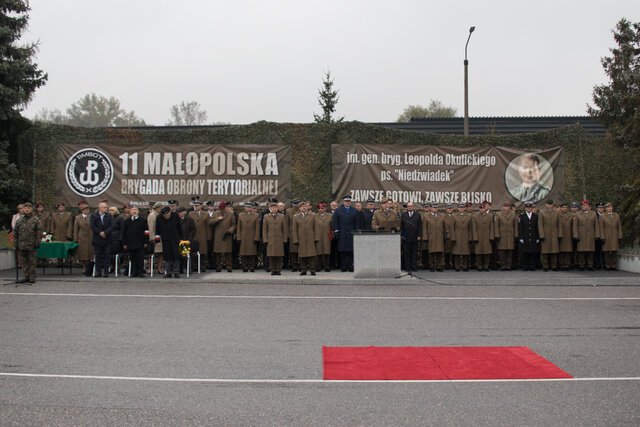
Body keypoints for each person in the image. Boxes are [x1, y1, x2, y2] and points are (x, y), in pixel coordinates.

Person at [13, 202, 43, 284]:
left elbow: (39, 232)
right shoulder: (19, 220)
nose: (26, 210)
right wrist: (15, 244)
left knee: (32, 261)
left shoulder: (35, 220)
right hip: (22, 244)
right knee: (24, 261)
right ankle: (25, 276)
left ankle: (32, 276)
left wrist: (37, 242)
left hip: (31, 244)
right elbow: (15, 233)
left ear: (31, 209)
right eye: (25, 208)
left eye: (28, 208)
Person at [333, 195, 359, 272]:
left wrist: (356, 231)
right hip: (342, 233)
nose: (347, 203)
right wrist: (336, 231)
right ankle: (343, 266)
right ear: (343, 202)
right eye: (346, 201)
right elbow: (335, 222)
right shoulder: (338, 210)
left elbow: (357, 223)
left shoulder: (354, 210)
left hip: (351, 233)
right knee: (342, 250)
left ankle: (351, 266)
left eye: (349, 201)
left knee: (351, 251)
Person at [121, 205, 148, 277]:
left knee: (140, 258)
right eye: (133, 209)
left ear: (138, 211)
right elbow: (123, 233)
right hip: (130, 243)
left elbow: (146, 232)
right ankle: (134, 272)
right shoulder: (127, 221)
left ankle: (140, 272)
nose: (134, 211)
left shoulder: (143, 220)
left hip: (140, 243)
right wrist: (124, 243)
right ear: (130, 211)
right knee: (133, 258)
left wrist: (146, 242)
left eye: (136, 209)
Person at [156, 205, 182, 278]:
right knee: (166, 256)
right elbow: (157, 229)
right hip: (165, 239)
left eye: (167, 215)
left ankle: (176, 271)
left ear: (170, 212)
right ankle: (168, 272)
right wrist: (157, 239)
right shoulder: (159, 218)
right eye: (164, 215)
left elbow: (179, 227)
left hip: (175, 239)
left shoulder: (175, 216)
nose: (166, 216)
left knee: (176, 255)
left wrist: (181, 237)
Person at [292, 201, 318, 275]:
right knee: (302, 255)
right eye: (302, 207)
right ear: (299, 208)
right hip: (301, 238)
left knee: (312, 255)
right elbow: (294, 229)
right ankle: (303, 270)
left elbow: (316, 227)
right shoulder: (296, 216)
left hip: (311, 238)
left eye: (305, 206)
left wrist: (316, 238)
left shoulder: (313, 215)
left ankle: (312, 270)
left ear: (308, 207)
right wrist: (295, 239)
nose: (304, 208)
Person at [573, 200, 599, 271]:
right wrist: (575, 235)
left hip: (590, 235)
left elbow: (596, 225)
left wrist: (597, 235)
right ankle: (581, 265)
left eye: (585, 205)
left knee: (590, 251)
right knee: (581, 252)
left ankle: (590, 265)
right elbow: (575, 226)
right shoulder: (577, 214)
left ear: (588, 206)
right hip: (581, 235)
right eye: (583, 205)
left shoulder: (593, 214)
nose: (584, 207)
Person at [262, 202, 287, 275]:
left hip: (279, 239)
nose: (274, 209)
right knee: (271, 255)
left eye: (275, 208)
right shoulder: (266, 216)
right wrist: (265, 239)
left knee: (279, 255)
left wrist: (284, 239)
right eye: (272, 208)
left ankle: (278, 269)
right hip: (270, 239)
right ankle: (273, 269)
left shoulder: (282, 216)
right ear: (270, 208)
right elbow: (264, 230)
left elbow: (284, 229)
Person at [90, 202, 114, 277]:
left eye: (106, 207)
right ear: (100, 208)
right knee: (98, 256)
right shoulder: (94, 216)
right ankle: (98, 271)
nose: (106, 209)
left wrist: (105, 232)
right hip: (98, 239)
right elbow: (92, 226)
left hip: (107, 239)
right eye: (105, 207)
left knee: (107, 255)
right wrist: (100, 232)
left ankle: (106, 272)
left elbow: (111, 226)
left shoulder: (109, 216)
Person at [211, 201, 236, 272]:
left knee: (228, 252)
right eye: (220, 209)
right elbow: (210, 222)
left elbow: (233, 224)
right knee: (218, 253)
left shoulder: (230, 214)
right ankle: (218, 267)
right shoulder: (216, 213)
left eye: (223, 208)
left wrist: (230, 231)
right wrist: (217, 219)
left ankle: (229, 267)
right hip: (218, 235)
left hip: (227, 235)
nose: (222, 210)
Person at [538, 199, 562, 271]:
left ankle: (554, 266)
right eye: (548, 204)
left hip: (554, 234)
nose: (549, 205)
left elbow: (559, 224)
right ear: (546, 204)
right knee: (545, 252)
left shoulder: (557, 212)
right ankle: (545, 266)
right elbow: (540, 224)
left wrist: (560, 234)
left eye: (551, 204)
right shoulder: (542, 212)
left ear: (552, 205)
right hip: (546, 234)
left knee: (554, 251)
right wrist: (541, 235)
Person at [236, 202, 261, 272]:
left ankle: (252, 266)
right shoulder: (240, 215)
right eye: (247, 207)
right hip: (243, 236)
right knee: (243, 253)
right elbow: (238, 227)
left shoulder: (256, 215)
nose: (248, 208)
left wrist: (256, 238)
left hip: (252, 236)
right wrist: (238, 237)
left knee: (252, 253)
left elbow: (257, 228)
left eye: (250, 207)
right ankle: (245, 266)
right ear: (244, 208)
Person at [494, 201, 518, 271]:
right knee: (502, 252)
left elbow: (515, 226)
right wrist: (497, 235)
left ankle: (508, 266)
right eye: (506, 206)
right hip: (502, 235)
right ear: (503, 207)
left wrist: (516, 235)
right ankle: (503, 266)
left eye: (508, 207)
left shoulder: (513, 214)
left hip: (510, 235)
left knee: (509, 251)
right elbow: (496, 225)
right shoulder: (498, 214)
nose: (507, 208)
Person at [599, 202, 623, 270]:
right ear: (606, 209)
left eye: (611, 207)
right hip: (607, 235)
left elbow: (619, 227)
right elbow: (601, 228)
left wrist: (620, 236)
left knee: (614, 251)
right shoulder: (603, 216)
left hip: (614, 235)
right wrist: (602, 237)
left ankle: (613, 265)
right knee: (607, 251)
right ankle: (608, 265)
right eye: (608, 207)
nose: (610, 208)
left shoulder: (616, 215)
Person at [400, 202, 422, 273]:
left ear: (413, 207)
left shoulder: (417, 215)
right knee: (406, 253)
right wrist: (402, 235)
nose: (410, 207)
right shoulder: (403, 215)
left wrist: (419, 235)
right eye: (408, 206)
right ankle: (407, 267)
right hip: (406, 237)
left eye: (411, 206)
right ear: (407, 207)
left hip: (415, 237)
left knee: (414, 253)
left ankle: (414, 266)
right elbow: (401, 226)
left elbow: (420, 226)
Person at [451, 203, 474, 271]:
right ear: (458, 208)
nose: (461, 209)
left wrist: (470, 237)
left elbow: (470, 228)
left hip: (465, 236)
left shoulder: (468, 216)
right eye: (460, 207)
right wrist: (453, 237)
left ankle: (465, 266)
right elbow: (452, 228)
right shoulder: (454, 216)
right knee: (457, 253)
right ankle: (457, 266)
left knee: (465, 253)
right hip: (457, 236)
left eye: (462, 208)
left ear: (464, 209)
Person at [518, 201, 540, 271]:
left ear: (531, 208)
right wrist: (521, 237)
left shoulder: (535, 216)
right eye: (527, 208)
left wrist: (537, 237)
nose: (528, 209)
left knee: (532, 252)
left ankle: (532, 266)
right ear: (525, 208)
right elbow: (520, 227)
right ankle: (526, 266)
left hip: (533, 236)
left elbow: (537, 227)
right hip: (525, 237)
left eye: (530, 207)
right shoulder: (522, 216)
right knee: (525, 252)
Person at [73, 202, 93, 276]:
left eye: (87, 210)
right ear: (82, 210)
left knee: (89, 253)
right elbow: (76, 229)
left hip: (90, 237)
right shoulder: (78, 218)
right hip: (81, 237)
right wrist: (75, 239)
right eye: (85, 210)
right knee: (82, 254)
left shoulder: (91, 217)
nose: (86, 211)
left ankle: (89, 268)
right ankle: (84, 267)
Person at [473, 202, 494, 271]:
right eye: (481, 208)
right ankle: (479, 266)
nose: (482, 210)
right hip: (479, 236)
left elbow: (491, 227)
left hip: (487, 236)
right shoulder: (475, 216)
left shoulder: (490, 216)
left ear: (485, 208)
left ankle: (486, 266)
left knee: (486, 253)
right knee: (479, 253)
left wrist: (491, 236)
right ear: (479, 209)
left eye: (483, 208)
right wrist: (475, 237)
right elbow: (474, 228)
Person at [189, 200, 209, 271]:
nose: (196, 207)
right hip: (194, 235)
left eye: (197, 206)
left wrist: (208, 236)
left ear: (201, 206)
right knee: (194, 252)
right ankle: (195, 266)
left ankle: (202, 266)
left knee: (203, 251)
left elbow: (208, 226)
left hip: (203, 235)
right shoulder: (191, 214)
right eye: (195, 206)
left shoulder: (206, 214)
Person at [314, 202, 333, 272]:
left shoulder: (330, 216)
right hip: (318, 235)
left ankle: (327, 266)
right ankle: (319, 266)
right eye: (319, 208)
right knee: (318, 252)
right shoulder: (315, 216)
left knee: (327, 252)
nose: (320, 209)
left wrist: (332, 235)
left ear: (325, 208)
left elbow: (332, 226)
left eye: (322, 208)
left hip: (326, 236)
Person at [147, 202, 164, 275]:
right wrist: (152, 238)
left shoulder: (159, 215)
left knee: (160, 253)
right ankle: (150, 268)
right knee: (152, 253)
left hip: (160, 237)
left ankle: (159, 267)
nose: (161, 209)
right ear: (157, 208)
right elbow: (151, 227)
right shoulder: (152, 215)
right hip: (154, 237)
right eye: (160, 208)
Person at [558, 203, 575, 270]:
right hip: (561, 234)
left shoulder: (571, 215)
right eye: (563, 207)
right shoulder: (558, 214)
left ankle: (567, 265)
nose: (565, 208)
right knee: (561, 251)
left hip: (569, 234)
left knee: (568, 251)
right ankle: (561, 265)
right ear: (561, 208)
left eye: (566, 207)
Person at [286, 199, 301, 271]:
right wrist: (287, 234)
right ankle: (294, 265)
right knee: (293, 251)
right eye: (295, 204)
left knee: (301, 250)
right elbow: (286, 223)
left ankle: (301, 265)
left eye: (297, 204)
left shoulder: (301, 211)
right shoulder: (288, 211)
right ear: (292, 204)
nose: (296, 206)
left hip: (300, 233)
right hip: (292, 233)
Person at [108, 206, 124, 274]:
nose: (111, 212)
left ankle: (117, 267)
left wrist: (120, 238)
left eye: (112, 210)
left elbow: (122, 229)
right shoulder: (108, 218)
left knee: (116, 254)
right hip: (109, 237)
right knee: (109, 253)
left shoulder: (119, 218)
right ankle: (111, 266)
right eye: (110, 211)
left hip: (116, 238)